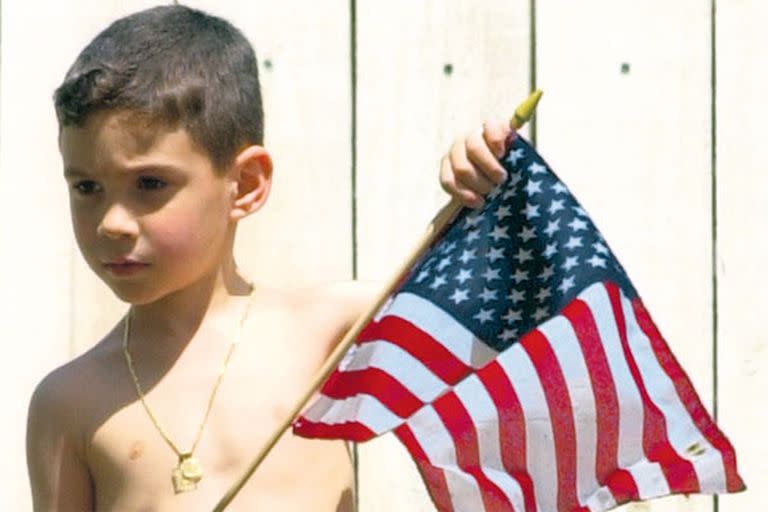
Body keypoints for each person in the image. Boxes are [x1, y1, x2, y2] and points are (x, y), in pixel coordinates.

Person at [25, 4, 513, 511]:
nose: (111, 222)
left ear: (246, 185)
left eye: (149, 184)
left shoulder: (337, 329)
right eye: (87, 187)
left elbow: (509, 334)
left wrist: (486, 195)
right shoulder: (69, 403)